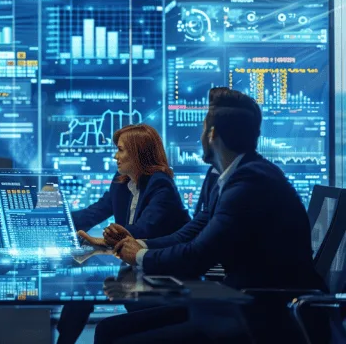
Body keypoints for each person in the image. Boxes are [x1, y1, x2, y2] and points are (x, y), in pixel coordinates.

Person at [99, 88, 325, 344]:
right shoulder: (224, 176)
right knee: (107, 330)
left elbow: (198, 256)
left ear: (213, 134)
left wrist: (139, 256)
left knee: (115, 338)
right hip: (238, 301)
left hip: (264, 316)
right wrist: (141, 245)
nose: (200, 136)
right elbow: (194, 230)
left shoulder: (249, 182)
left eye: (203, 128)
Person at [57, 124, 190, 344]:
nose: (115, 156)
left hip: (163, 278)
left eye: (121, 150)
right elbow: (94, 212)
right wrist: (53, 220)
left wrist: (106, 239)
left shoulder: (161, 184)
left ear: (138, 153)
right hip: (134, 271)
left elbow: (143, 229)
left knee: (103, 320)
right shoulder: (121, 182)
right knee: (81, 290)